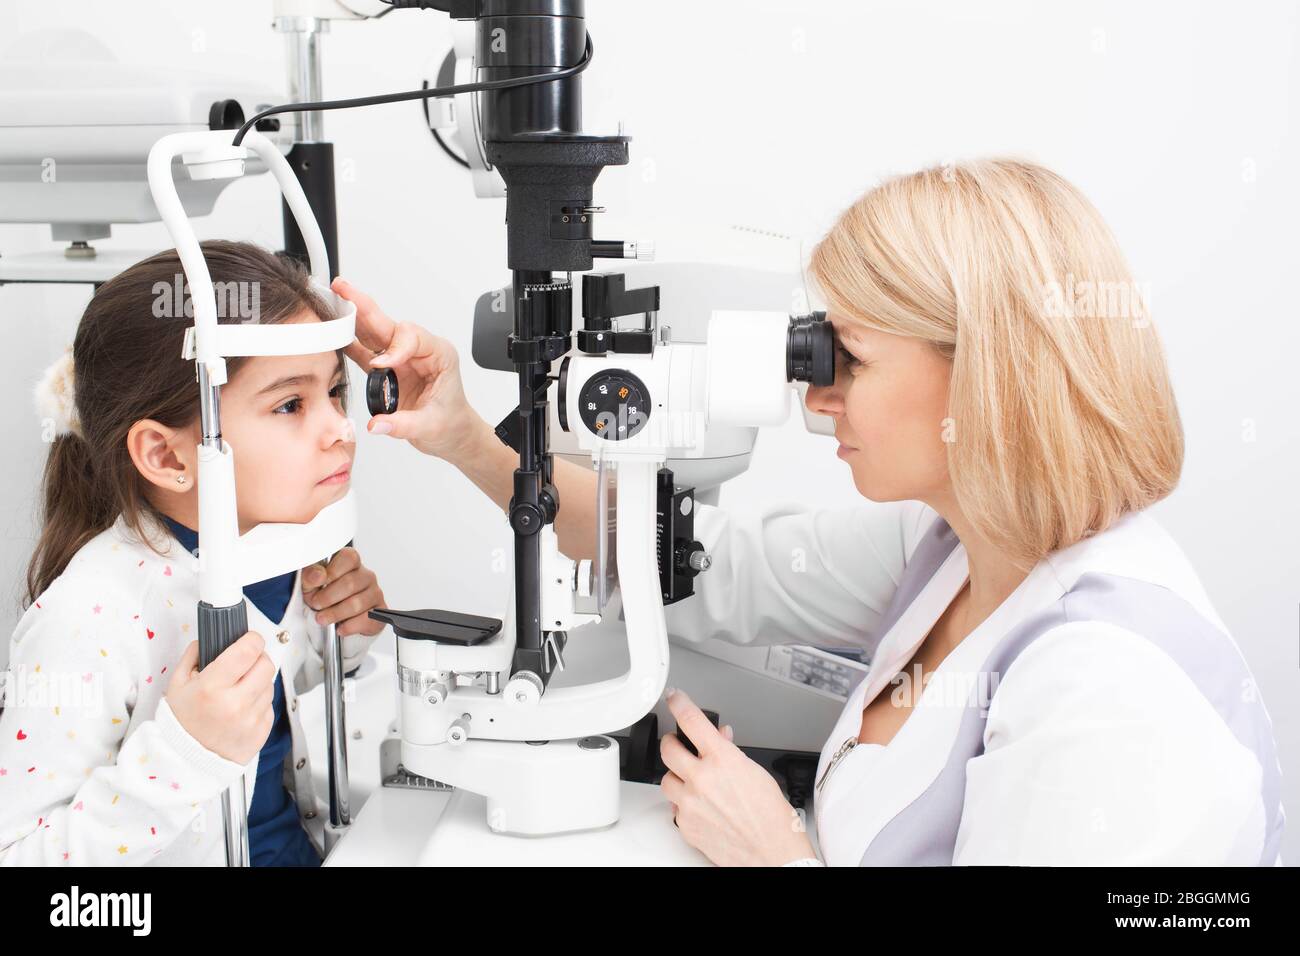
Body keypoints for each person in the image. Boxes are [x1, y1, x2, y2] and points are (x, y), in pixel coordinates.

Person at [330, 158, 1284, 867]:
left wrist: (779, 855)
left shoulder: (1112, 698)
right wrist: (463, 435)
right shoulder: (962, 545)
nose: (815, 399)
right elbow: (696, 572)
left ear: (990, 376)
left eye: (849, 362)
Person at [0, 241, 387, 865]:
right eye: (290, 404)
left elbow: (268, 708)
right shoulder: (86, 617)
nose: (340, 427)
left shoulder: (277, 549)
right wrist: (182, 755)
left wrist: (344, 634)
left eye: (335, 392)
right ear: (166, 455)